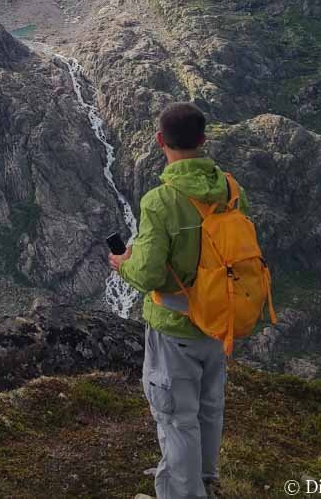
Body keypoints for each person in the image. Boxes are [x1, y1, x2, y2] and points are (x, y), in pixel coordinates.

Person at [109, 102, 252, 499]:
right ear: (203, 141)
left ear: (160, 141)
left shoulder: (161, 201)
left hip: (175, 328)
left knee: (176, 417)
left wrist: (123, 264)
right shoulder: (230, 188)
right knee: (209, 409)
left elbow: (151, 274)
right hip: (218, 322)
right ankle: (203, 481)